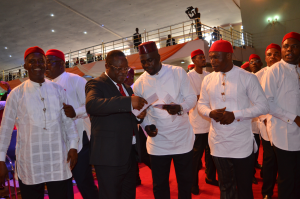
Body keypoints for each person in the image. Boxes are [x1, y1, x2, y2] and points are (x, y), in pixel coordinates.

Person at [0, 46, 79, 199]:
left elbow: (68, 122)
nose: (37, 64)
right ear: (25, 66)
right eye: (32, 61)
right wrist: (1, 159)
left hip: (57, 158)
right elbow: (5, 130)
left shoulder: (58, 90)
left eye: (40, 61)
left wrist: (73, 147)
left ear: (45, 64)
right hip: (30, 161)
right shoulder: (17, 94)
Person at [198, 40, 269, 199]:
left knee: (244, 187)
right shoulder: (208, 79)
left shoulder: (247, 77)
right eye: (211, 57)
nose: (212, 61)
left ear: (229, 56)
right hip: (218, 142)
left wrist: (235, 115)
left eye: (216, 57)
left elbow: (263, 106)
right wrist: (211, 113)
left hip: (241, 142)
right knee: (226, 186)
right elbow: (201, 104)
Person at [133, 41, 197, 199]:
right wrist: (147, 126)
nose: (147, 64)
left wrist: (180, 108)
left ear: (159, 57)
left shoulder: (177, 72)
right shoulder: (139, 84)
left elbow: (191, 98)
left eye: (151, 60)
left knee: (185, 182)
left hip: (182, 137)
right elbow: (141, 113)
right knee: (160, 184)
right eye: (143, 62)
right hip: (158, 141)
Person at [85, 50, 147, 199]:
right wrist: (128, 102)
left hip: (129, 155)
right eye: (118, 68)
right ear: (107, 66)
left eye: (125, 69)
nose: (123, 73)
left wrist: (139, 116)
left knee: (128, 194)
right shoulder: (96, 83)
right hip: (109, 157)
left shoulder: (126, 88)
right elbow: (92, 105)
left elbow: (126, 115)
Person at [45, 49, 99, 199]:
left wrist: (75, 111)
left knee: (83, 180)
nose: (46, 66)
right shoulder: (45, 85)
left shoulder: (75, 80)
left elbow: (91, 105)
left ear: (62, 63)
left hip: (79, 139)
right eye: (45, 63)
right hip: (57, 141)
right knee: (63, 183)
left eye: (50, 62)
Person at [261, 32, 300, 199]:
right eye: (285, 46)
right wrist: (294, 117)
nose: (289, 49)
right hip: (283, 132)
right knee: (287, 177)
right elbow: (267, 103)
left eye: (294, 46)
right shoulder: (274, 71)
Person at [187, 49, 217, 195]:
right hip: (197, 123)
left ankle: (210, 177)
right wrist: (206, 97)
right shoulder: (189, 77)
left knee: (211, 153)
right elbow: (194, 97)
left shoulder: (209, 75)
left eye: (204, 57)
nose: (203, 59)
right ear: (193, 60)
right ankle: (193, 184)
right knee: (195, 157)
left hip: (210, 121)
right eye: (200, 57)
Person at [256, 43, 281, 199]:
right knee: (270, 159)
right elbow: (254, 101)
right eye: (270, 54)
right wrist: (264, 118)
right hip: (267, 124)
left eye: (276, 54)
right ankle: (267, 192)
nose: (273, 57)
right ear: (265, 57)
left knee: (286, 160)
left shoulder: (287, 72)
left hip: (286, 124)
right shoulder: (258, 75)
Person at [248, 54, 263, 184]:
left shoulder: (265, 75)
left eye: (256, 61)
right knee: (252, 147)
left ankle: (256, 164)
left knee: (259, 147)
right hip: (251, 120)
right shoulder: (247, 78)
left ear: (261, 63)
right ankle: (251, 173)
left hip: (264, 118)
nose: (254, 63)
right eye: (251, 61)